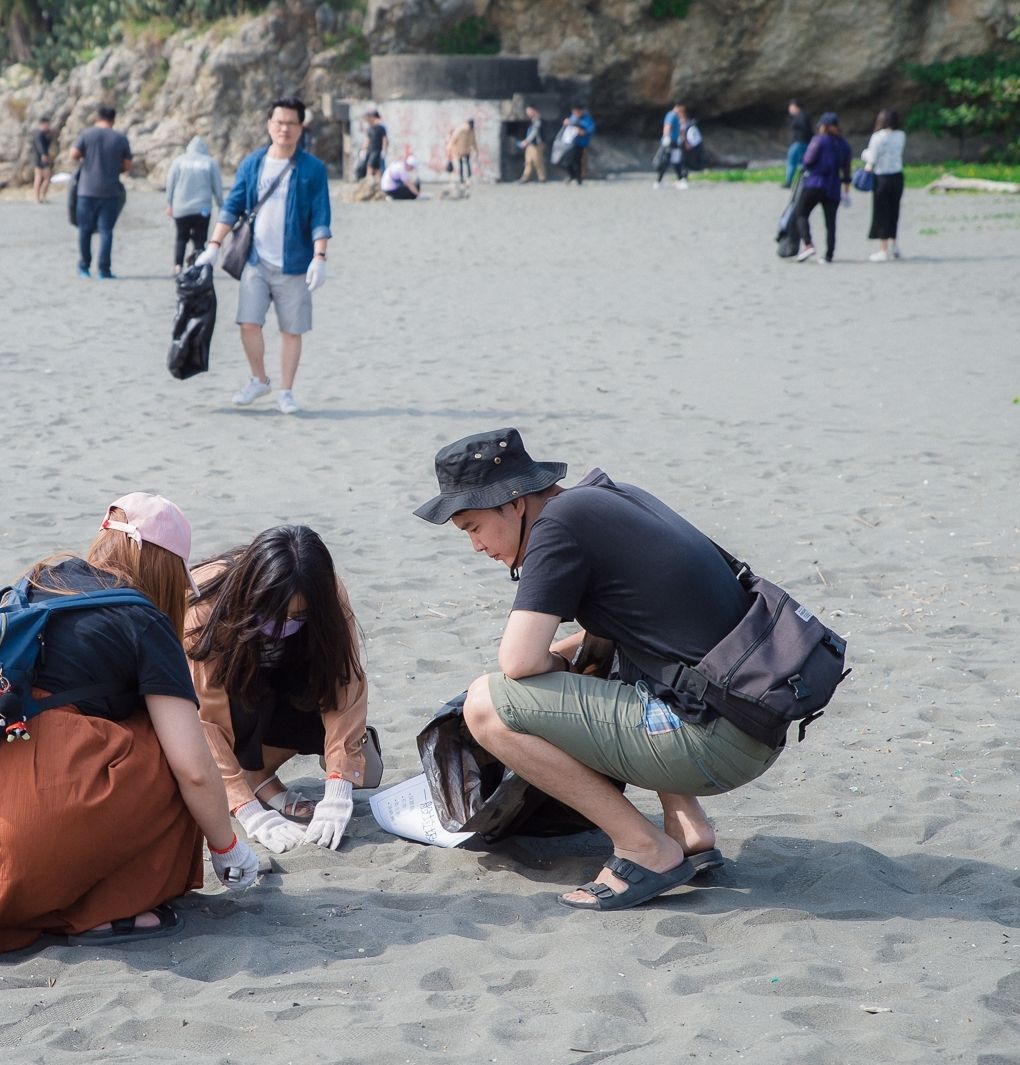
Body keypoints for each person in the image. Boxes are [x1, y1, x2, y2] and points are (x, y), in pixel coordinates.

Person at [0, 493, 261, 951]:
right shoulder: (144, 621)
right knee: (167, 745)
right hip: (31, 818)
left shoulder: (41, 579)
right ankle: (105, 908)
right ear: (167, 569)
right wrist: (227, 848)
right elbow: (194, 770)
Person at [414, 429, 783, 911]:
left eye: (472, 527)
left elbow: (518, 661)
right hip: (752, 723)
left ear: (513, 503)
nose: (476, 546)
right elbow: (634, 631)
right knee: (608, 649)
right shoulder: (612, 498)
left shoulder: (557, 526)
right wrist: (562, 659)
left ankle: (644, 848)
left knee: (487, 705)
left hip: (713, 746)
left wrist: (550, 667)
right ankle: (687, 827)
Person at [184, 525, 379, 855]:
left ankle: (257, 774)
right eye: (273, 613)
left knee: (324, 689)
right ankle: (246, 782)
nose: (284, 624)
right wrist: (248, 811)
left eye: (298, 616)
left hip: (281, 689)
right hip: (229, 702)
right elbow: (206, 719)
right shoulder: (206, 604)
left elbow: (344, 683)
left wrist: (339, 786)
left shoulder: (326, 592)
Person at [194, 97, 331, 416]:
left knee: (291, 330)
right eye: (279, 122)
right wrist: (213, 245)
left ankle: (286, 391)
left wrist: (319, 257)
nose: (284, 128)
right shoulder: (253, 163)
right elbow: (233, 205)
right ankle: (259, 380)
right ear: (269, 125)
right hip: (255, 260)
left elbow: (320, 215)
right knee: (248, 324)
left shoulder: (313, 169)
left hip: (295, 263)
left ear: (300, 128)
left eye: (291, 123)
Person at [69, 105, 133, 280]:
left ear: (98, 117)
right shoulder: (120, 138)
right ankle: (104, 270)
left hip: (86, 190)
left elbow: (73, 154)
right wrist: (116, 167)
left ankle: (84, 267)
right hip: (110, 191)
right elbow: (128, 165)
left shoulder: (87, 134)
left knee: (84, 230)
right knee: (106, 231)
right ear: (113, 120)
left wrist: (85, 159)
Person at [793, 112, 852, 263]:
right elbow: (846, 171)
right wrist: (846, 191)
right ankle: (829, 255)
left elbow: (808, 160)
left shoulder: (819, 140)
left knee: (801, 213)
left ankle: (808, 244)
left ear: (823, 126)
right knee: (830, 223)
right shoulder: (844, 145)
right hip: (833, 187)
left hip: (815, 183)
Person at [165, 135, 225, 274]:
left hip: (180, 208)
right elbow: (217, 186)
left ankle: (178, 266)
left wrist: (169, 203)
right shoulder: (210, 162)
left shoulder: (178, 161)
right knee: (200, 239)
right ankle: (198, 267)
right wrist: (220, 204)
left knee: (181, 237)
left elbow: (170, 183)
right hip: (202, 209)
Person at [862, 108, 906, 262]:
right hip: (897, 177)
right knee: (894, 211)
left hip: (882, 177)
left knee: (881, 213)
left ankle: (883, 249)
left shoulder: (877, 137)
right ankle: (894, 245)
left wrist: (864, 153)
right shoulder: (901, 135)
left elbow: (872, 158)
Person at [654, 103, 692, 189]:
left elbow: (680, 129)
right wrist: (666, 137)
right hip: (669, 142)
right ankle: (658, 181)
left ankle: (680, 180)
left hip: (675, 142)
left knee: (676, 161)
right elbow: (667, 126)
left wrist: (684, 140)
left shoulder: (677, 117)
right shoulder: (671, 115)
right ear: (678, 107)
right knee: (665, 161)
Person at [559, 104, 595, 184]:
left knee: (578, 162)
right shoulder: (573, 117)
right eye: (574, 112)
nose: (576, 114)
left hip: (581, 144)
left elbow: (590, 130)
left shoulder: (587, 119)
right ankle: (572, 175)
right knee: (566, 161)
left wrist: (582, 132)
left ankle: (579, 179)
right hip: (570, 143)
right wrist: (566, 123)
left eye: (577, 112)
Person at [783, 100, 813, 189]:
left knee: (792, 162)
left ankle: (788, 182)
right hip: (802, 143)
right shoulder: (802, 116)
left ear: (797, 107)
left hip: (799, 143)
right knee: (804, 163)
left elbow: (806, 131)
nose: (790, 109)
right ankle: (806, 181)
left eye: (791, 107)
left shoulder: (801, 116)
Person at [355, 110, 388, 181]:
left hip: (377, 151)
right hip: (370, 151)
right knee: (371, 167)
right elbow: (367, 140)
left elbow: (384, 140)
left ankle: (369, 181)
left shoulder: (381, 128)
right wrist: (363, 149)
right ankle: (371, 181)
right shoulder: (370, 129)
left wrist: (384, 150)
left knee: (370, 166)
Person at [517, 105, 546, 183]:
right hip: (530, 144)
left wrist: (526, 141)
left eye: (529, 111)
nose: (528, 113)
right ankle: (525, 178)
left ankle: (542, 178)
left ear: (534, 110)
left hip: (537, 145)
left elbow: (534, 132)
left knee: (537, 161)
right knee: (528, 161)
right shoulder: (532, 120)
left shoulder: (538, 120)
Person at [447, 119, 478, 186]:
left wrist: (476, 150)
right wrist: (450, 148)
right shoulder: (460, 130)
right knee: (461, 165)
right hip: (459, 151)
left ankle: (469, 178)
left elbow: (474, 141)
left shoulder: (472, 131)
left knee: (468, 164)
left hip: (467, 150)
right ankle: (461, 179)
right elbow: (453, 139)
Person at [31, 117, 54, 204]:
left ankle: (39, 197)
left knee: (39, 177)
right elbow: (40, 145)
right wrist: (43, 154)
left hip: (38, 157)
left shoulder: (41, 133)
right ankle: (40, 196)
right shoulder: (39, 133)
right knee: (45, 177)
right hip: (41, 157)